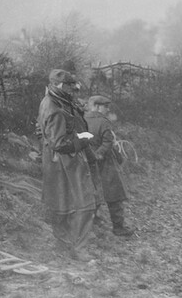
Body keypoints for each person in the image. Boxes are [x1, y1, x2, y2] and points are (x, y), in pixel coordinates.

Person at [37, 68, 98, 260]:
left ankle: (66, 246)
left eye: (73, 85)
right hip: (65, 162)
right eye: (69, 85)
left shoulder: (58, 100)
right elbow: (59, 143)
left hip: (61, 162)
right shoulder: (55, 107)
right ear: (57, 85)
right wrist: (83, 140)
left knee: (63, 204)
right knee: (84, 205)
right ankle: (79, 250)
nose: (73, 88)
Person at [85, 94, 134, 237]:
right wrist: (99, 154)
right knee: (115, 194)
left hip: (88, 162)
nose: (107, 109)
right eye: (105, 106)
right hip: (105, 162)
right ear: (97, 106)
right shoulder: (104, 122)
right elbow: (107, 142)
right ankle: (118, 227)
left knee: (92, 193)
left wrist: (91, 156)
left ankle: (91, 224)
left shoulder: (82, 119)